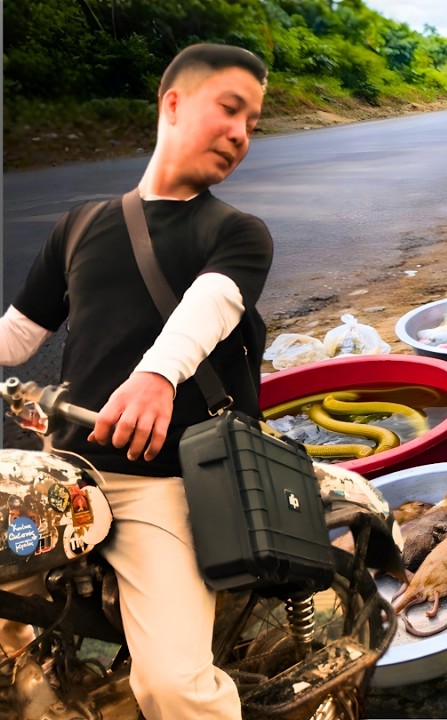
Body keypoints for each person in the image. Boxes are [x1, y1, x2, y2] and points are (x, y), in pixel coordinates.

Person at [0, 43, 271, 718]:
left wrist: (155, 375)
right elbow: (17, 338)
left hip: (163, 483)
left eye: (253, 123)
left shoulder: (236, 232)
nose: (241, 134)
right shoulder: (81, 224)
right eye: (231, 109)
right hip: (59, 477)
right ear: (173, 103)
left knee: (174, 687)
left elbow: (210, 306)